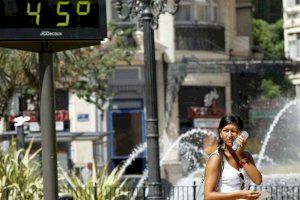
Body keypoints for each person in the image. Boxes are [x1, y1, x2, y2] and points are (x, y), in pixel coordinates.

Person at [204, 114, 262, 200]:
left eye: (234, 131)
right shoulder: (216, 158)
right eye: (226, 131)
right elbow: (208, 196)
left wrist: (240, 154)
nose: (230, 135)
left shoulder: (246, 155)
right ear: (220, 133)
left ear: (241, 134)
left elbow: (258, 180)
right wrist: (241, 195)